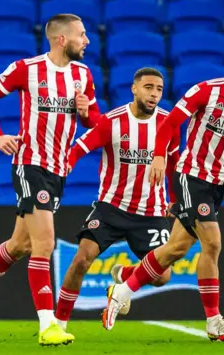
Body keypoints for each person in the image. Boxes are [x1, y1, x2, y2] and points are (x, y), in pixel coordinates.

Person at [102, 46, 224, 342]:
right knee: (213, 243)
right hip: (191, 175)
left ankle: (123, 283)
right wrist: (159, 156)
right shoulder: (206, 92)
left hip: (219, 185)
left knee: (175, 250)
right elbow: (170, 123)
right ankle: (213, 320)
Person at [0, 13, 100, 346]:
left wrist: (85, 113)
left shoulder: (83, 74)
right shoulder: (27, 69)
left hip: (58, 170)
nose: (87, 41)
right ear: (62, 39)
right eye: (82, 35)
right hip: (29, 163)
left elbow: (94, 120)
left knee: (20, 244)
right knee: (45, 244)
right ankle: (48, 325)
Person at [54, 67, 181, 332]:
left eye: (159, 89)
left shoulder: (169, 123)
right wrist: (67, 164)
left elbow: (173, 163)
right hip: (111, 206)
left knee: (162, 276)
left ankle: (123, 275)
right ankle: (58, 323)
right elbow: (80, 147)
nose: (154, 94)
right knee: (81, 260)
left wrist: (175, 197)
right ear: (134, 89)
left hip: (152, 210)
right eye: (148, 87)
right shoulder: (112, 121)